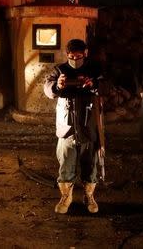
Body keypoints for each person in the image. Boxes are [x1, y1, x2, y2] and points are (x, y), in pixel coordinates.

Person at [43, 38, 104, 214]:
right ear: (67, 54)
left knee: (90, 164)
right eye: (71, 56)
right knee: (66, 164)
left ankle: (89, 195)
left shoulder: (94, 69)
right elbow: (47, 88)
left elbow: (106, 85)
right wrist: (57, 86)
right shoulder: (59, 70)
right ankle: (66, 197)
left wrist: (94, 84)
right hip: (66, 128)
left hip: (88, 126)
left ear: (85, 54)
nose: (75, 59)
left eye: (78, 56)